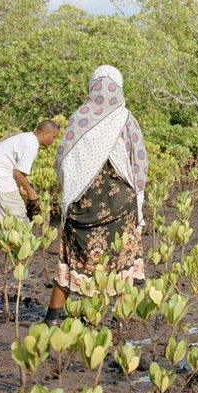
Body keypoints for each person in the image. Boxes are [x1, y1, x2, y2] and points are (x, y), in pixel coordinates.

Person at [44, 65, 147, 325]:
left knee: (71, 261)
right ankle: (119, 321)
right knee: (123, 262)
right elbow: (139, 161)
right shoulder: (126, 118)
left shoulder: (79, 117)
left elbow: (63, 160)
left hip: (83, 206)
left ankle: (51, 320)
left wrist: (71, 195)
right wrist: (140, 197)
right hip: (120, 205)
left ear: (92, 86)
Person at [0, 121, 60, 239]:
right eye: (53, 137)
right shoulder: (31, 144)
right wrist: (31, 191)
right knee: (17, 214)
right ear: (45, 133)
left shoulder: (27, 137)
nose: (53, 141)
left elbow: (16, 168)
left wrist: (21, 185)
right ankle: (24, 243)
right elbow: (18, 172)